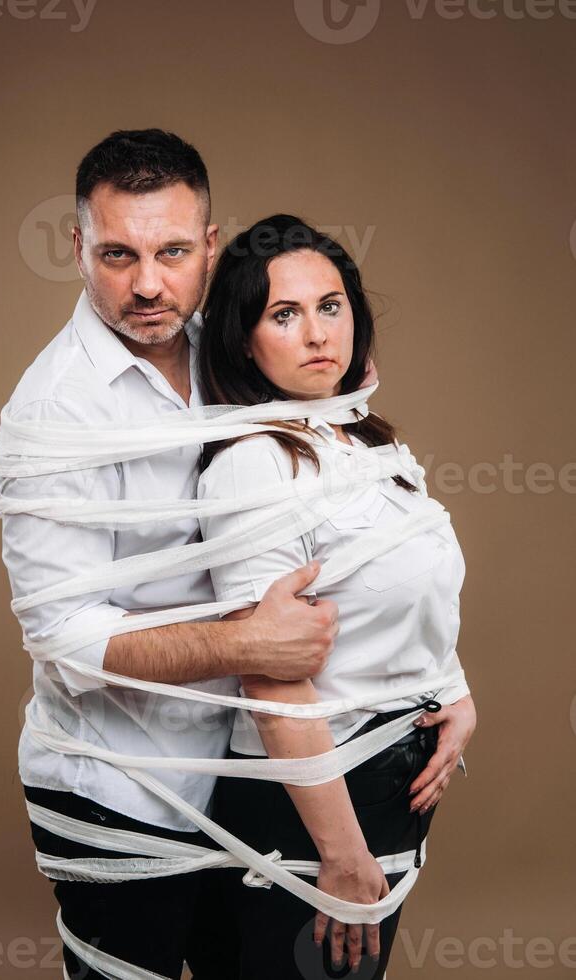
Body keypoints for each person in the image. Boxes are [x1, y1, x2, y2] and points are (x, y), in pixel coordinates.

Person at [0, 130, 341, 979]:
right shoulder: (51, 415)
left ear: (211, 248)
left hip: (243, 763)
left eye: (173, 251)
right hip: (115, 785)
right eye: (117, 253)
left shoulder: (231, 349)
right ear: (77, 249)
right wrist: (243, 646)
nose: (148, 283)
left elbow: (343, 472)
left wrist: (440, 687)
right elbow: (66, 639)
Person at [196, 214, 477, 979]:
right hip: (316, 809)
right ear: (244, 339)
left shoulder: (367, 441)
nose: (317, 331)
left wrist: (454, 693)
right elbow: (268, 677)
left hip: (389, 792)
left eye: (330, 305)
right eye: (284, 314)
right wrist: (343, 855)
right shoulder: (254, 465)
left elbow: (415, 586)